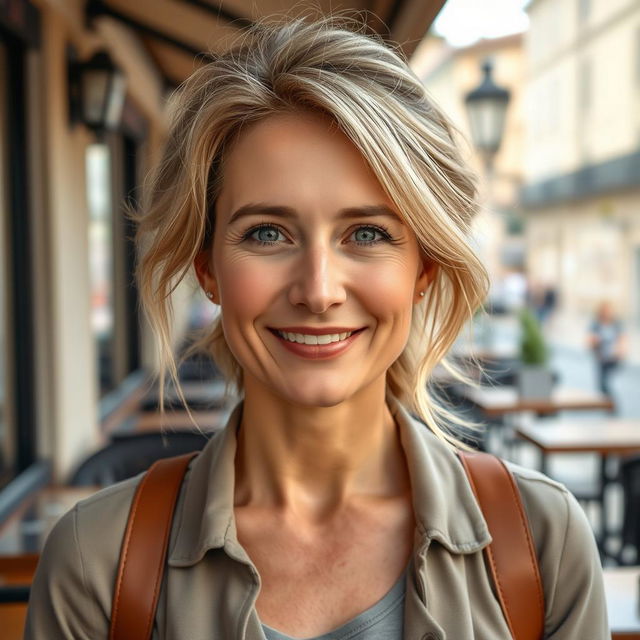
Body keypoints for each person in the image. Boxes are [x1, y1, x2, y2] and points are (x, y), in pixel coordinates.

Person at [24, 16, 608, 639]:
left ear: (424, 270)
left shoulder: (541, 544)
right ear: (209, 269)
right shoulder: (96, 563)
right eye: (267, 233)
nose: (319, 290)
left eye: (367, 234)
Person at [588, 300, 627, 397]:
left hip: (613, 358)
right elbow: (590, 340)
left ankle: (612, 404)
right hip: (602, 358)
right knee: (601, 384)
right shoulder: (596, 324)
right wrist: (594, 341)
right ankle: (608, 403)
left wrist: (621, 350)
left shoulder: (616, 323)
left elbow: (623, 338)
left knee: (606, 382)